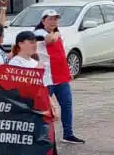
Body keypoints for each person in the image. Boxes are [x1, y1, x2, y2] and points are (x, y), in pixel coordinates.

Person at [35, 9, 85, 145]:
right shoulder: (39, 32)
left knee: (67, 105)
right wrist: (56, 32)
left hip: (60, 77)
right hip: (47, 78)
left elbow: (61, 54)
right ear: (43, 20)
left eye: (55, 19)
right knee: (45, 109)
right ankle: (42, 136)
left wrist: (67, 72)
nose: (53, 21)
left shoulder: (56, 32)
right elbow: (50, 40)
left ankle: (68, 134)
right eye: (50, 19)